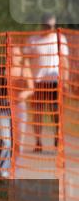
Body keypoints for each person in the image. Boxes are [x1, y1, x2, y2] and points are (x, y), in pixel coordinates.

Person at [24, 13, 67, 152]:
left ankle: (57, 137)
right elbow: (25, 59)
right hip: (38, 82)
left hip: (55, 82)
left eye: (51, 26)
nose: (49, 28)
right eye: (47, 26)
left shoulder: (60, 38)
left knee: (56, 112)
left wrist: (65, 80)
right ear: (42, 24)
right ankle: (38, 141)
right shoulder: (33, 40)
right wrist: (27, 78)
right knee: (37, 113)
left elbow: (64, 61)